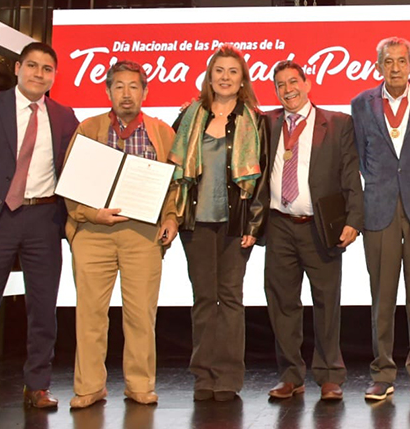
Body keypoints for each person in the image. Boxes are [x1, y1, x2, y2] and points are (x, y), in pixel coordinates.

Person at [0, 42, 80, 417]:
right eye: (33, 66)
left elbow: (74, 171)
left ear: (55, 76)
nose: (39, 74)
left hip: (44, 219)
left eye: (47, 69)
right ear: (18, 68)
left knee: (43, 309)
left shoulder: (65, 115)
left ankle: (37, 385)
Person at [64, 61, 179, 408]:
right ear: (108, 91)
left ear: (145, 92)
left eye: (133, 87)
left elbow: (176, 183)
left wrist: (171, 216)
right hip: (93, 231)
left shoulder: (161, 131)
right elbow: (71, 179)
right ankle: (89, 387)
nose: (126, 94)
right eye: (119, 86)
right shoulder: (88, 127)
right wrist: (89, 214)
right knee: (89, 314)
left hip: (142, 234)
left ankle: (140, 385)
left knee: (141, 314)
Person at [169, 45, 269, 402]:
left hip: (234, 225)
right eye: (219, 71)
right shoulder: (188, 116)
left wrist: (253, 226)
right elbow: (173, 171)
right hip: (194, 223)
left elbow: (263, 180)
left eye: (232, 71)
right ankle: (203, 376)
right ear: (209, 77)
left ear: (242, 79)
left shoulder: (254, 120)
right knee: (203, 299)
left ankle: (227, 377)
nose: (225, 77)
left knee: (230, 299)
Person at [351, 36, 410, 402]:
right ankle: (382, 372)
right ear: (378, 66)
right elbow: (362, 156)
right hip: (379, 208)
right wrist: (381, 186)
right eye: (388, 62)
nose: (395, 68)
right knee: (382, 296)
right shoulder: (362, 104)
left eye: (401, 61)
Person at [263, 61, 363, 402]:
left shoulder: (337, 123)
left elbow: (351, 174)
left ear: (308, 83)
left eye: (293, 81)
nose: (287, 88)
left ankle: (330, 375)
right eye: (280, 84)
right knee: (282, 304)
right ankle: (290, 375)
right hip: (279, 226)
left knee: (326, 302)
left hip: (320, 227)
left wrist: (354, 219)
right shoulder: (268, 122)